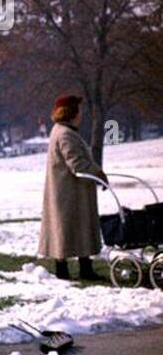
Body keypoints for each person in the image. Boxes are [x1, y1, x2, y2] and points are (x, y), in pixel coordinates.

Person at [37, 93, 107, 281]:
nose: (81, 115)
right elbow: (77, 163)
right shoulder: (65, 134)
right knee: (69, 229)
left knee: (71, 229)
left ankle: (80, 268)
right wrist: (98, 174)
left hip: (71, 191)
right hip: (69, 192)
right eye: (78, 111)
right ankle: (68, 270)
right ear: (71, 113)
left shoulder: (61, 131)